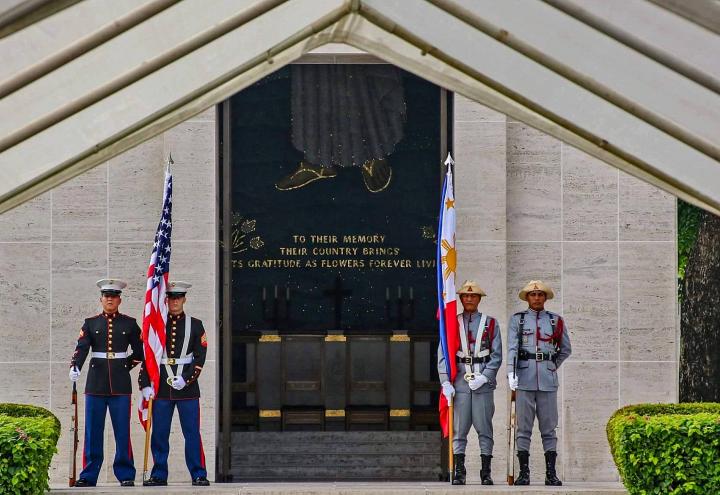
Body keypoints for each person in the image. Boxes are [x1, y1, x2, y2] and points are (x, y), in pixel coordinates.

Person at [69, 279, 143, 487]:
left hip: (120, 385)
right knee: (92, 431)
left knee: (122, 431)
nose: (109, 299)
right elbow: (82, 347)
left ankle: (126, 473)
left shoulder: (129, 323)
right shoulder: (91, 323)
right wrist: (75, 366)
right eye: (106, 296)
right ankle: (89, 475)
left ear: (119, 299)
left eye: (113, 296)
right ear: (101, 299)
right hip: (95, 384)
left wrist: (123, 366)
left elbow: (140, 352)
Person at [139, 281, 209, 487]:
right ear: (165, 300)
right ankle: (159, 473)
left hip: (187, 388)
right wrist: (145, 384)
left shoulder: (196, 325)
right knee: (159, 434)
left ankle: (198, 473)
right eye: (171, 298)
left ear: (184, 299)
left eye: (178, 297)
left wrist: (186, 379)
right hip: (161, 387)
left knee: (192, 433)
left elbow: (199, 357)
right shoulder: (157, 324)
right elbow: (148, 356)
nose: (174, 301)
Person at [507, 280, 572, 486]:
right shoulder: (518, 320)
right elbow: (512, 349)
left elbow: (565, 349)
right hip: (524, 379)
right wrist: (511, 372)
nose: (536, 298)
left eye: (540, 294)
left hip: (547, 380)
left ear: (545, 298)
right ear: (527, 298)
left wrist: (552, 366)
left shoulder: (555, 321)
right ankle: (524, 474)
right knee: (523, 428)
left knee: (549, 428)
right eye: (533, 294)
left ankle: (550, 474)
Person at [438, 280, 502, 485]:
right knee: (459, 430)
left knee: (485, 429)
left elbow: (497, 355)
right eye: (465, 296)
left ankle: (485, 472)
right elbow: (443, 355)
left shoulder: (491, 323)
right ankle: (459, 471)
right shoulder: (451, 323)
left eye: (473, 296)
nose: (469, 299)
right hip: (460, 382)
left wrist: (486, 376)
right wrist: (445, 382)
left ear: (479, 299)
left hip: (482, 382)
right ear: (460, 299)